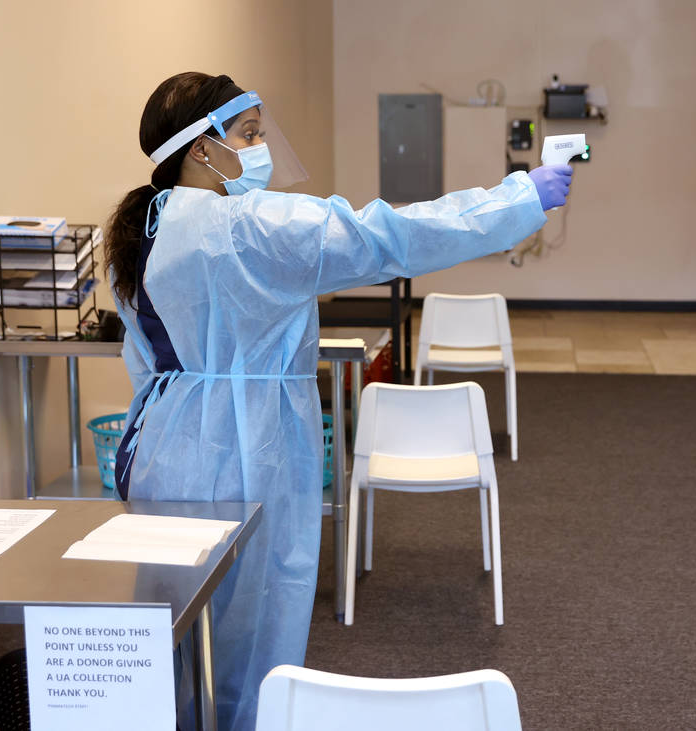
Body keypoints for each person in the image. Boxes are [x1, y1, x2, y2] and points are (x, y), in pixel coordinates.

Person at [104, 72, 573, 729]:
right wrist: (517, 200)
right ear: (200, 150)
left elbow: (143, 363)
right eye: (248, 134)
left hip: (164, 447)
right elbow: (386, 238)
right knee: (254, 617)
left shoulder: (143, 232)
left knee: (175, 619)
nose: (261, 146)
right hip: (252, 446)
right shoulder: (250, 224)